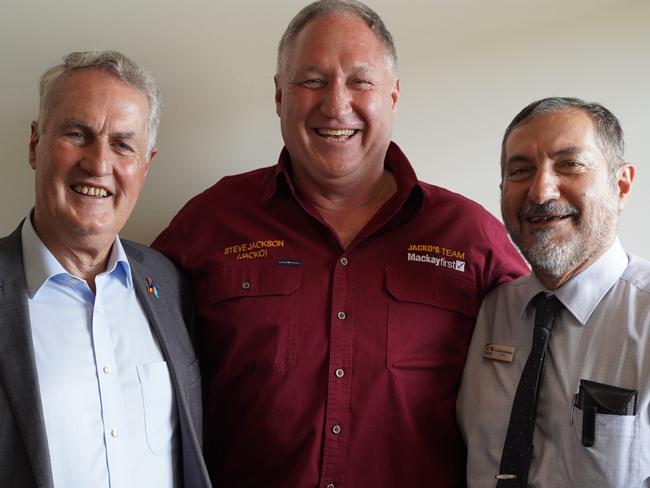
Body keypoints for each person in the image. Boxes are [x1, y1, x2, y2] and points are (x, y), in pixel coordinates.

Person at [153, 1, 527, 486]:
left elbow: (548, 354)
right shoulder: (212, 221)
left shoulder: (467, 234)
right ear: (278, 95)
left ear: (392, 96)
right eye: (311, 80)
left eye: (360, 81)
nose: (335, 104)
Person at [0, 50, 211, 488]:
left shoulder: (168, 283)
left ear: (146, 165)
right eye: (77, 134)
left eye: (122, 144)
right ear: (35, 144)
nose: (98, 164)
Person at [457, 97, 649, 487]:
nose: (541, 191)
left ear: (622, 184)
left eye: (570, 165)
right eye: (521, 170)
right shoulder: (489, 311)